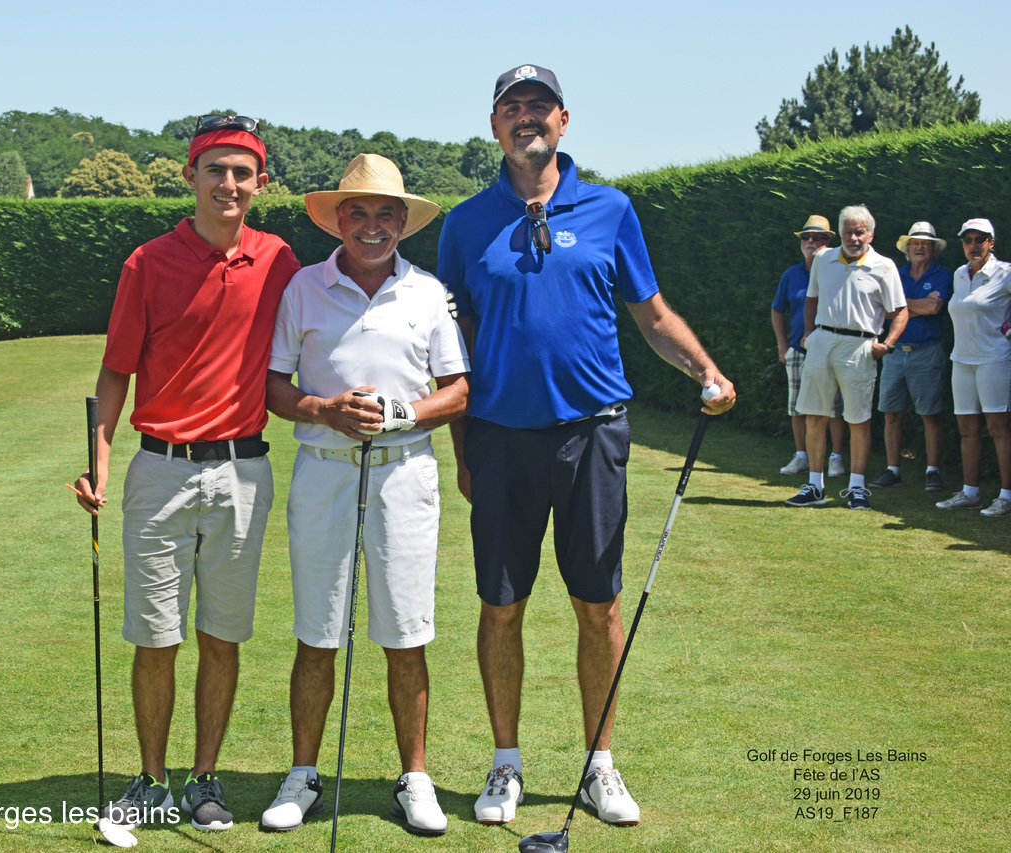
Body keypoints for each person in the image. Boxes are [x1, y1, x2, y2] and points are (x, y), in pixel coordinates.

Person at [437, 64, 735, 828]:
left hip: (594, 433)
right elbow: (453, 347)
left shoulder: (611, 209)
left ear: (563, 121)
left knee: (598, 605)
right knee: (501, 605)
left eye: (539, 106)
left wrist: (705, 369)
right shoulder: (465, 224)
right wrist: (463, 450)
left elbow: (652, 313)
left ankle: (599, 762)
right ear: (494, 124)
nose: (526, 118)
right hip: (501, 438)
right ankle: (505, 762)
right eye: (512, 107)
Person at [70, 116, 301, 833]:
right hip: (160, 471)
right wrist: (98, 463)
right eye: (215, 170)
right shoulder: (147, 262)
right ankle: (151, 778)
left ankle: (205, 778)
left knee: (222, 637)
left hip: (243, 472)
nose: (228, 184)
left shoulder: (280, 260)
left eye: (242, 173)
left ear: (260, 183)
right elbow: (116, 371)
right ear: (190, 176)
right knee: (155, 636)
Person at [262, 153, 470, 835]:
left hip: (404, 474)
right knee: (317, 631)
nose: (373, 226)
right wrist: (324, 409)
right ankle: (302, 774)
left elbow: (458, 390)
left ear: (403, 223)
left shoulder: (427, 291)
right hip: (323, 469)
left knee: (406, 632)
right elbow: (274, 386)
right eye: (360, 213)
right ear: (338, 219)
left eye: (387, 214)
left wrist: (402, 414)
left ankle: (415, 778)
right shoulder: (303, 287)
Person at [784, 205, 908, 511]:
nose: (854, 238)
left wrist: (888, 344)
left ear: (871, 234)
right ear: (840, 233)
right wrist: (809, 334)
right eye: (849, 232)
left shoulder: (884, 266)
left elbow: (900, 311)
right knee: (815, 416)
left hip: (860, 346)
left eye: (860, 232)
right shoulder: (823, 259)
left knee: (858, 419)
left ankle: (856, 488)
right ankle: (815, 486)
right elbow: (811, 299)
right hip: (822, 342)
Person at [867, 222, 953, 493]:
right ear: (906, 248)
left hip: (927, 351)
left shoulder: (943, 275)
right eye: (915, 243)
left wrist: (902, 307)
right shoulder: (896, 273)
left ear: (934, 249)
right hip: (894, 352)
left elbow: (935, 307)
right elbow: (884, 310)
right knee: (891, 413)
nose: (920, 247)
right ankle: (892, 470)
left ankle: (932, 472)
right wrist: (920, 304)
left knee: (930, 414)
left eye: (925, 243)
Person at [934, 218, 1011, 517]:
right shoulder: (959, 274)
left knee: (998, 429)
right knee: (967, 430)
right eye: (968, 240)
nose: (974, 245)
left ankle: (1007, 496)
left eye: (981, 239)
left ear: (992, 242)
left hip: (995, 359)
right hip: (962, 361)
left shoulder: (1005, 272)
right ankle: (970, 493)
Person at [772, 215, 848, 478]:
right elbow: (777, 309)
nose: (811, 241)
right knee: (797, 407)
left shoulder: (838, 272)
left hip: (831, 350)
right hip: (798, 350)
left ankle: (836, 458)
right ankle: (801, 456)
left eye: (818, 237)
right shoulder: (791, 275)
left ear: (828, 242)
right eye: (806, 237)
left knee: (834, 408)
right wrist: (783, 346)